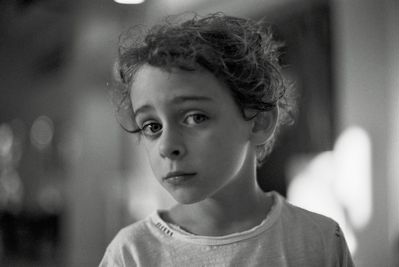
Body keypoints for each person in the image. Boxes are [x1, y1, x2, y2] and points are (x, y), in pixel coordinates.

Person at [100, 12, 354, 266]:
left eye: (195, 117)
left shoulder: (319, 240)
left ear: (259, 122)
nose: (167, 147)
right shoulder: (132, 253)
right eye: (152, 126)